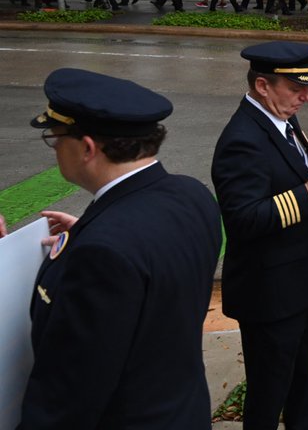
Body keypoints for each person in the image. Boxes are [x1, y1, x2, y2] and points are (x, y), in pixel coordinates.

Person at [21, 68, 222, 428]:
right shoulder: (192, 195)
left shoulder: (103, 253)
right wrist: (89, 232)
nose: (55, 148)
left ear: (86, 148)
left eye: (55, 137)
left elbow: (70, 393)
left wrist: (95, 240)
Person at [212, 42, 308, 430]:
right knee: (269, 396)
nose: (307, 96)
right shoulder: (242, 140)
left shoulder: (281, 120)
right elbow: (244, 219)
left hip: (300, 284)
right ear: (262, 86)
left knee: (303, 381)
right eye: (296, 88)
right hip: (269, 294)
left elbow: (291, 182)